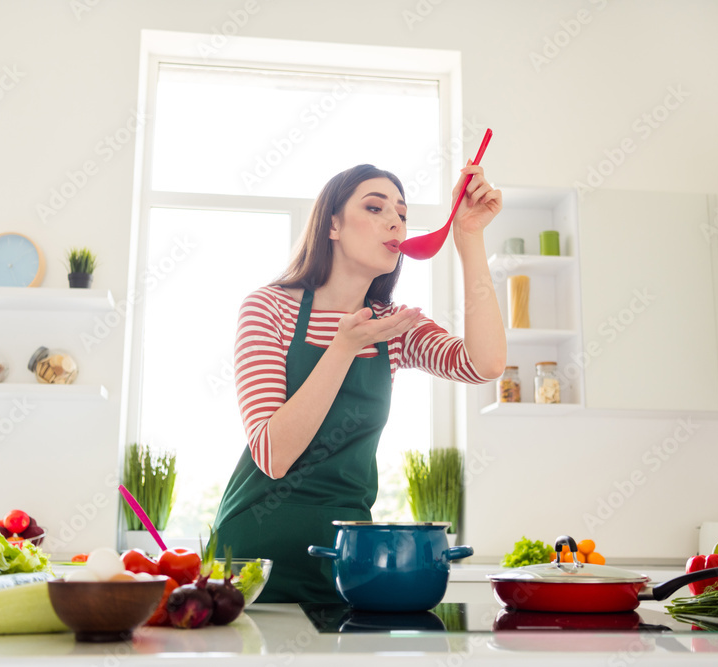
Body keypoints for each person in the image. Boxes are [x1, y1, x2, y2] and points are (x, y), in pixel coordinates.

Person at [212, 162, 506, 603]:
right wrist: (343, 348)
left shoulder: (393, 325)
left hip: (345, 558)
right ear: (332, 223)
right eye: (375, 207)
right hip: (252, 562)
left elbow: (485, 364)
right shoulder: (268, 308)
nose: (395, 222)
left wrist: (468, 236)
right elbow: (272, 455)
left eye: (403, 215)